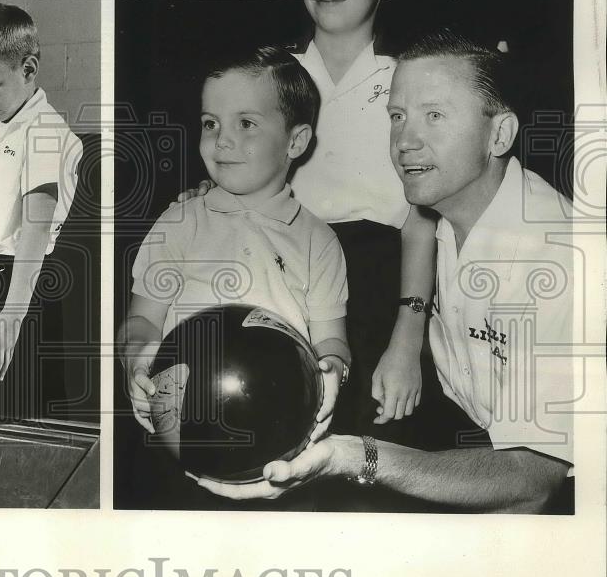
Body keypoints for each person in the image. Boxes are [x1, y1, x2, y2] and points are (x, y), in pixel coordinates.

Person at [197, 29, 575, 513]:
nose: (405, 141)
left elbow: (533, 479)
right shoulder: (447, 204)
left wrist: (356, 458)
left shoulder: (553, 258)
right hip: (474, 423)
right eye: (397, 116)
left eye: (434, 116)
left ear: (499, 134)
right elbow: (417, 226)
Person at [177, 0, 438, 443]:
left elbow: (422, 218)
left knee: (366, 453)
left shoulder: (411, 78)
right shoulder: (270, 77)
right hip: (285, 274)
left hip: (378, 289)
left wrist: (407, 339)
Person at [119, 46, 351, 506]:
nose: (221, 140)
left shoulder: (318, 241)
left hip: (281, 440)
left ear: (295, 141)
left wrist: (333, 372)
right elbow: (142, 320)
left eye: (246, 123)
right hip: (179, 430)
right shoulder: (178, 223)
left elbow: (332, 341)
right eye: (211, 123)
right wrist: (136, 360)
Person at [0, 4, 82, 421]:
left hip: (17, 285)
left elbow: (35, 229)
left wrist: (13, 314)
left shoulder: (45, 131)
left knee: (15, 405)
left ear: (28, 69)